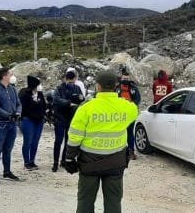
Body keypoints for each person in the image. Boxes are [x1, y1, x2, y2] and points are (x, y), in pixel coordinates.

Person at [64, 70, 139, 213]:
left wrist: (69, 158)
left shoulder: (86, 108)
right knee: (114, 202)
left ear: (98, 87)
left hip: (89, 163)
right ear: (116, 86)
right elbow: (135, 111)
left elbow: (75, 136)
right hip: (116, 163)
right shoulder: (127, 107)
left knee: (85, 201)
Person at [0, 67, 22, 184]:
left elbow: (18, 103)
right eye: (10, 74)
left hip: (12, 124)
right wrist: (8, 115)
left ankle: (7, 172)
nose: (12, 76)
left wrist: (18, 113)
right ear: (4, 76)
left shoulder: (12, 89)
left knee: (8, 149)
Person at [52, 70, 84, 172]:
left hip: (71, 119)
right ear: (65, 79)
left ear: (75, 80)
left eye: (72, 81)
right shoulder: (59, 88)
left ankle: (63, 161)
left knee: (68, 141)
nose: (71, 83)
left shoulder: (77, 88)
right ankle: (55, 162)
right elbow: (56, 99)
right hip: (60, 118)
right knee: (58, 141)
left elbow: (81, 99)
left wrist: (81, 98)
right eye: (69, 81)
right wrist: (69, 103)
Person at [18, 75, 46, 170]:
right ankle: (26, 162)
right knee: (28, 141)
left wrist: (43, 115)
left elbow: (44, 105)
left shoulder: (40, 94)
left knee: (35, 141)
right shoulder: (25, 94)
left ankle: (32, 161)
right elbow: (23, 107)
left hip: (39, 121)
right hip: (28, 120)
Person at [115, 68, 141, 160]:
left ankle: (131, 151)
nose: (125, 80)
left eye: (127, 79)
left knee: (130, 133)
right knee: (118, 133)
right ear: (121, 78)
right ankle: (117, 152)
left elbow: (138, 100)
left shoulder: (133, 88)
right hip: (118, 114)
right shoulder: (117, 88)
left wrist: (129, 104)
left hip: (129, 114)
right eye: (124, 79)